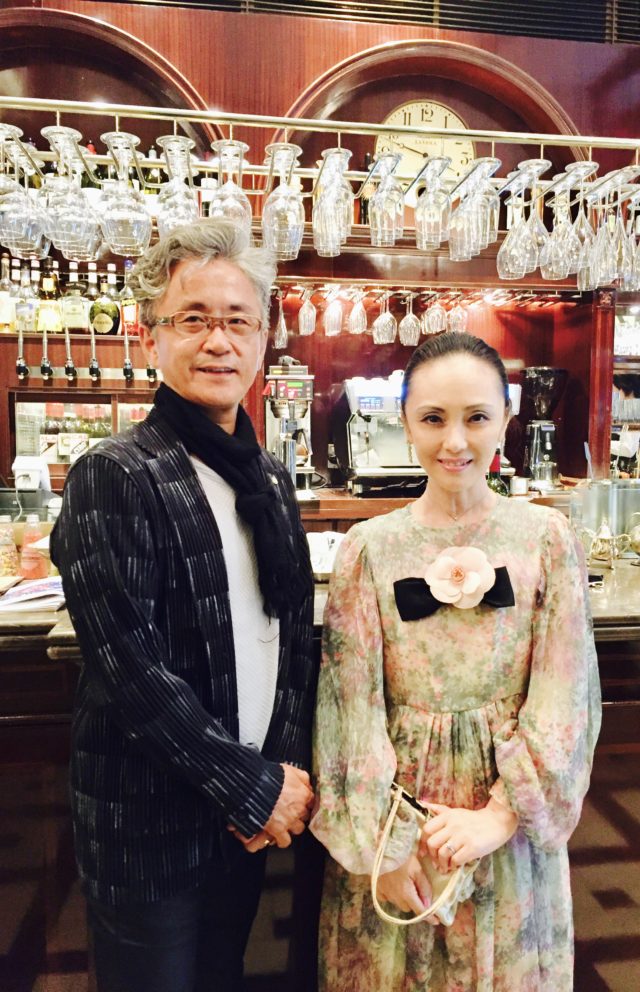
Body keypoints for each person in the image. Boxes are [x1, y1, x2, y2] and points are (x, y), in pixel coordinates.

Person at [50, 218, 317, 992]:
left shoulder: (268, 477)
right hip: (149, 827)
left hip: (241, 822)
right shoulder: (116, 473)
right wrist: (253, 788)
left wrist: (281, 771)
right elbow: (129, 670)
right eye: (193, 319)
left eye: (238, 321)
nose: (218, 342)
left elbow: (293, 635)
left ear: (263, 338)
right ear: (151, 336)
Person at [310, 332, 601, 991]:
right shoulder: (368, 549)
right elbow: (348, 710)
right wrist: (381, 850)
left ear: (506, 418)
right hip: (397, 827)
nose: (455, 442)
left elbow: (567, 695)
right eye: (433, 418)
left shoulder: (547, 539)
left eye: (476, 417)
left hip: (509, 829)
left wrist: (500, 815)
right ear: (405, 421)